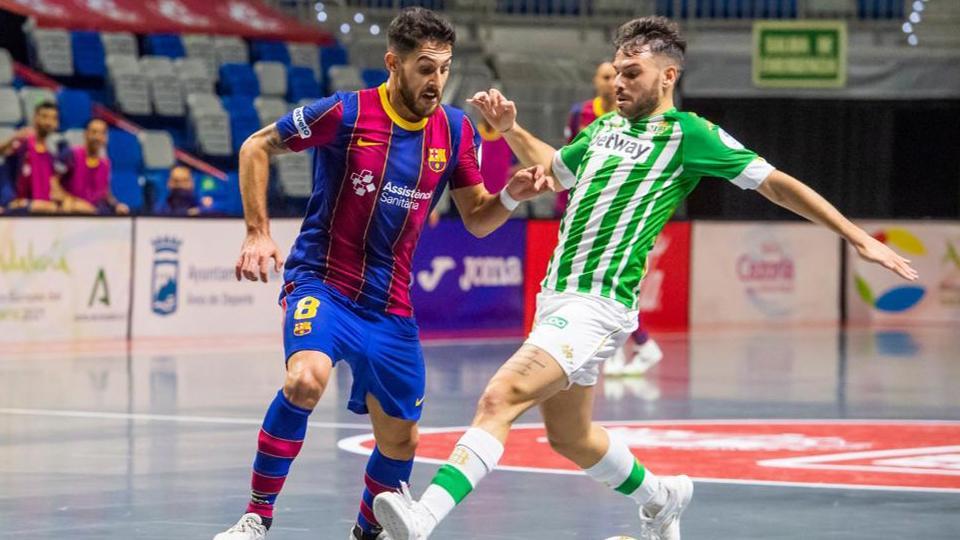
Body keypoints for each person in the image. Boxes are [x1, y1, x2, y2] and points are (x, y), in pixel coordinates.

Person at [372, 16, 918, 540]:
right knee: (570, 436)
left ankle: (423, 519)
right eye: (615, 70)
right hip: (558, 296)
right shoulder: (605, 128)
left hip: (598, 302)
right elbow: (555, 170)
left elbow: (777, 184)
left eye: (631, 73)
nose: (618, 82)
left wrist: (856, 236)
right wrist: (513, 131)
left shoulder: (689, 135)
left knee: (501, 398)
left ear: (668, 76)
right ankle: (660, 497)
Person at [215, 8, 550, 540]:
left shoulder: (457, 130)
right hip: (323, 282)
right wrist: (257, 232)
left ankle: (367, 533)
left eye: (443, 68)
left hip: (390, 306)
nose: (436, 81)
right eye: (424, 68)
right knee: (305, 379)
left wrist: (511, 194)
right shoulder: (346, 113)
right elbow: (257, 145)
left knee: (402, 441)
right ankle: (256, 518)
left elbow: (480, 219)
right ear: (394, 63)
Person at [566, 61, 664, 377]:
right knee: (595, 285)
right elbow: (570, 158)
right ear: (595, 80)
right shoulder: (581, 114)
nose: (613, 82)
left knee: (612, 284)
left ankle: (624, 349)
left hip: (622, 214)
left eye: (618, 76)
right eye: (607, 76)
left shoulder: (632, 117)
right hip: (586, 212)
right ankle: (642, 345)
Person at [0, 101, 61, 213]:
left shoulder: (51, 155)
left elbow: (53, 185)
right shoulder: (22, 142)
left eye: (53, 118)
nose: (48, 122)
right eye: (44, 116)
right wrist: (13, 138)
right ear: (35, 118)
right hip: (17, 206)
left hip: (40, 209)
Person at [61, 118, 129, 215]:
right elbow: (53, 184)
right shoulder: (71, 155)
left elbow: (105, 192)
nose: (97, 137)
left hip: (93, 217)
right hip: (70, 214)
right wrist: (69, 200)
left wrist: (117, 205)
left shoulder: (105, 164)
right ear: (85, 134)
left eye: (102, 133)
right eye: (94, 132)